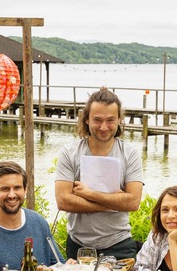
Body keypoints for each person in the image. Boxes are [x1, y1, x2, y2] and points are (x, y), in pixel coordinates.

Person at [55, 87, 144, 261]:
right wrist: (114, 203)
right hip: (78, 245)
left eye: (110, 120)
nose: (104, 127)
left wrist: (90, 194)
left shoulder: (129, 154)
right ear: (86, 119)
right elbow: (63, 200)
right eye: (97, 120)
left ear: (119, 120)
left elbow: (133, 201)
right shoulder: (70, 152)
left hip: (119, 244)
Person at [0, 161, 64, 271]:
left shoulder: (39, 223)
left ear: (25, 189)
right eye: (5, 189)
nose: (12, 195)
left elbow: (57, 265)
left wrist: (68, 268)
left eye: (17, 188)